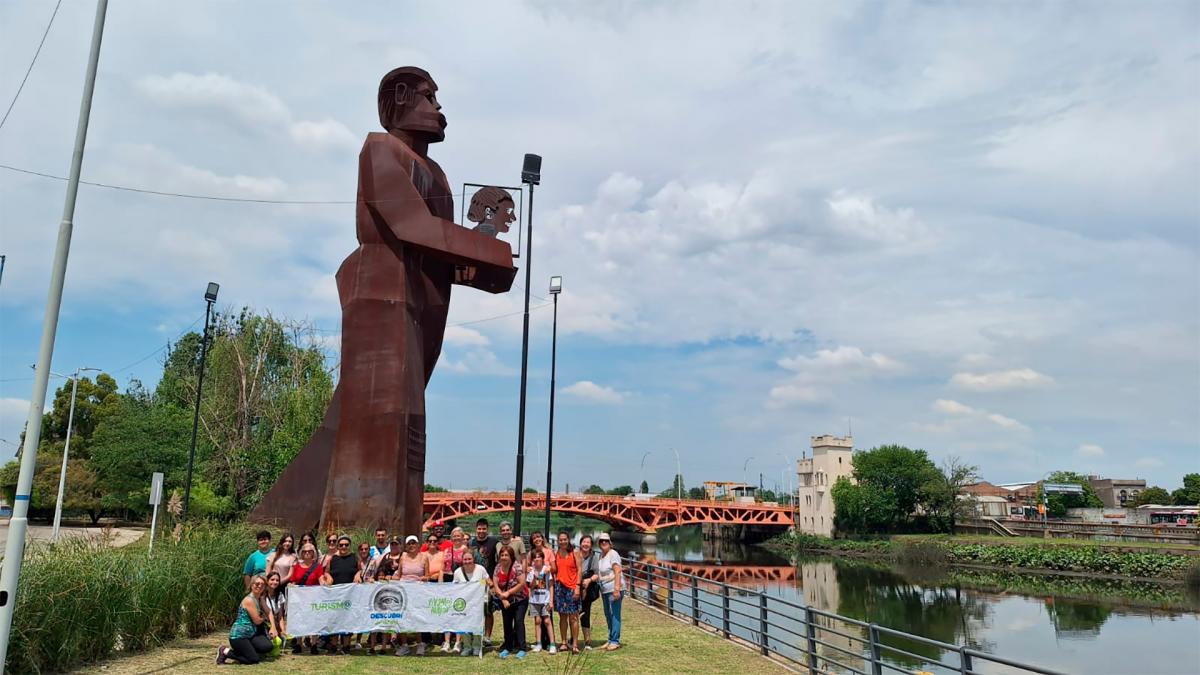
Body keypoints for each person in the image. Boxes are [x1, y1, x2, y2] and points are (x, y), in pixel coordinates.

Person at [217, 574, 275, 665]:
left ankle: (248, 651)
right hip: (239, 636)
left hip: (250, 634)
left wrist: (273, 627)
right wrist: (264, 617)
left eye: (262, 584)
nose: (259, 586)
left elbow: (269, 612)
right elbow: (257, 620)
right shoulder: (249, 600)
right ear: (251, 585)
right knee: (253, 659)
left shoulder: (259, 598)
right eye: (257, 584)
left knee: (267, 646)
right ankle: (225, 651)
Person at [393, 535, 431, 656]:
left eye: (413, 543)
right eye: (409, 543)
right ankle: (404, 646)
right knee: (402, 617)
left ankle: (420, 644)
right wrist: (390, 579)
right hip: (403, 591)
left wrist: (423, 579)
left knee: (417, 617)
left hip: (418, 592)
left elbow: (428, 576)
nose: (411, 545)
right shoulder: (403, 557)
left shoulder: (424, 557)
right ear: (406, 545)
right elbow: (398, 575)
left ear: (418, 544)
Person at [322, 535, 359, 655]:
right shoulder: (333, 559)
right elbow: (326, 572)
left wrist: (358, 574)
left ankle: (346, 646)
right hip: (335, 594)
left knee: (348, 619)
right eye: (341, 545)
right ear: (338, 546)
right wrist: (328, 577)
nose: (344, 547)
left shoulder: (354, 558)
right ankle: (333, 645)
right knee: (334, 619)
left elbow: (360, 569)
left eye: (346, 545)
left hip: (350, 594)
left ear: (349, 546)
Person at [491, 544, 527, 659]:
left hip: (520, 599)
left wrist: (508, 593)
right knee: (507, 623)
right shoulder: (497, 568)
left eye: (506, 555)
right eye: (502, 555)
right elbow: (495, 584)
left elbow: (522, 584)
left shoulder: (517, 567)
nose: (504, 557)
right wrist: (503, 597)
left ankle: (522, 648)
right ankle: (508, 646)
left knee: (518, 621)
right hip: (505, 599)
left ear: (511, 556)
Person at [453, 549, 489, 657]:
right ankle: (467, 646)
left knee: (477, 624)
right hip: (464, 603)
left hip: (478, 602)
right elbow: (454, 588)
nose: (467, 561)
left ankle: (477, 646)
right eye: (465, 559)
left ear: (473, 559)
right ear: (462, 560)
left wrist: (480, 584)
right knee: (464, 624)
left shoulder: (480, 569)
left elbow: (487, 581)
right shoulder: (458, 572)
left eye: (469, 559)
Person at [290, 543, 324, 654]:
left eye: (310, 551)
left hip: (313, 598)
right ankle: (299, 644)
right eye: (305, 551)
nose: (307, 553)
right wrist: (291, 586)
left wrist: (325, 585)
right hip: (299, 599)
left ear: (313, 553)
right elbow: (293, 581)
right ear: (301, 553)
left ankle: (313, 644)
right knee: (299, 620)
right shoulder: (296, 567)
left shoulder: (317, 567)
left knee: (313, 620)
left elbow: (321, 580)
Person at [469, 519, 498, 646]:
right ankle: (474, 635)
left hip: (488, 582)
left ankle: (487, 637)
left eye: (484, 529)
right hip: (474, 582)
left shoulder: (494, 542)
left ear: (487, 529)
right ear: (476, 529)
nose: (481, 531)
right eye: (479, 529)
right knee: (473, 610)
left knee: (488, 611)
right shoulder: (471, 542)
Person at [554, 530, 583, 653]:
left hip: (572, 587)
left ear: (568, 539)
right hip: (560, 587)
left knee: (574, 617)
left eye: (565, 539)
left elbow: (579, 570)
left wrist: (577, 586)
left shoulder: (574, 553)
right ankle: (564, 642)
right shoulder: (557, 553)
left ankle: (575, 644)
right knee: (562, 616)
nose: (563, 542)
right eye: (560, 540)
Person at [527, 530, 556, 650]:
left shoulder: (549, 552)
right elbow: (528, 570)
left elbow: (554, 569)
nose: (537, 539)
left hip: (545, 594)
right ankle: (540, 643)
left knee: (547, 620)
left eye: (538, 537)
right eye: (534, 538)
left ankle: (550, 643)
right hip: (536, 596)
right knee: (538, 620)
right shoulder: (530, 554)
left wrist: (549, 568)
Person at [597, 532, 623, 651]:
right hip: (605, 590)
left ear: (610, 543)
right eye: (601, 540)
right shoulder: (601, 555)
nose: (603, 542)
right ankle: (610, 639)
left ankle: (615, 641)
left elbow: (617, 571)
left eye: (606, 541)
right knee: (608, 614)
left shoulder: (613, 554)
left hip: (614, 589)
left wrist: (617, 589)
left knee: (614, 615)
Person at [578, 534, 602, 649]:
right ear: (580, 543)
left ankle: (587, 641)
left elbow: (597, 574)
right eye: (584, 542)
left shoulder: (594, 557)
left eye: (588, 542)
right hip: (574, 587)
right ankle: (573, 639)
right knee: (573, 615)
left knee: (585, 613)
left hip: (586, 589)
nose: (586, 544)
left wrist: (588, 580)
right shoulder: (575, 555)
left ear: (591, 545)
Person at [264, 571, 287, 655]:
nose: (275, 582)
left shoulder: (280, 595)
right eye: (272, 579)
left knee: (279, 641)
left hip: (275, 624)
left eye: (277, 580)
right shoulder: (262, 595)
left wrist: (283, 630)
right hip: (264, 624)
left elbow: (280, 616)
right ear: (267, 580)